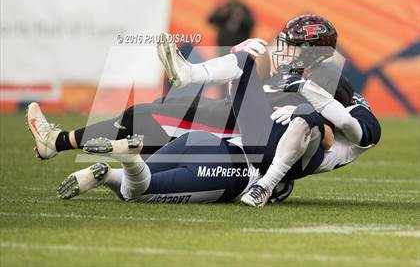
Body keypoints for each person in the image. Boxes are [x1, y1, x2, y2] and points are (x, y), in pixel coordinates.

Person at [54, 31, 380, 206]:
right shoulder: (303, 99)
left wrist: (306, 98)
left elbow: (331, 130)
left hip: (243, 168)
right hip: (230, 156)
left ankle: (114, 169)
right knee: (140, 187)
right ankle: (122, 164)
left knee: (138, 188)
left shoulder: (332, 117)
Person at [26, 15, 353, 167]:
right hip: (238, 123)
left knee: (142, 115)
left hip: (248, 134)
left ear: (314, 50)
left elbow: (321, 127)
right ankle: (59, 143)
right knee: (154, 114)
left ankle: (58, 142)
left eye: (293, 43)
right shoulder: (290, 69)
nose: (284, 46)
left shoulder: (325, 76)